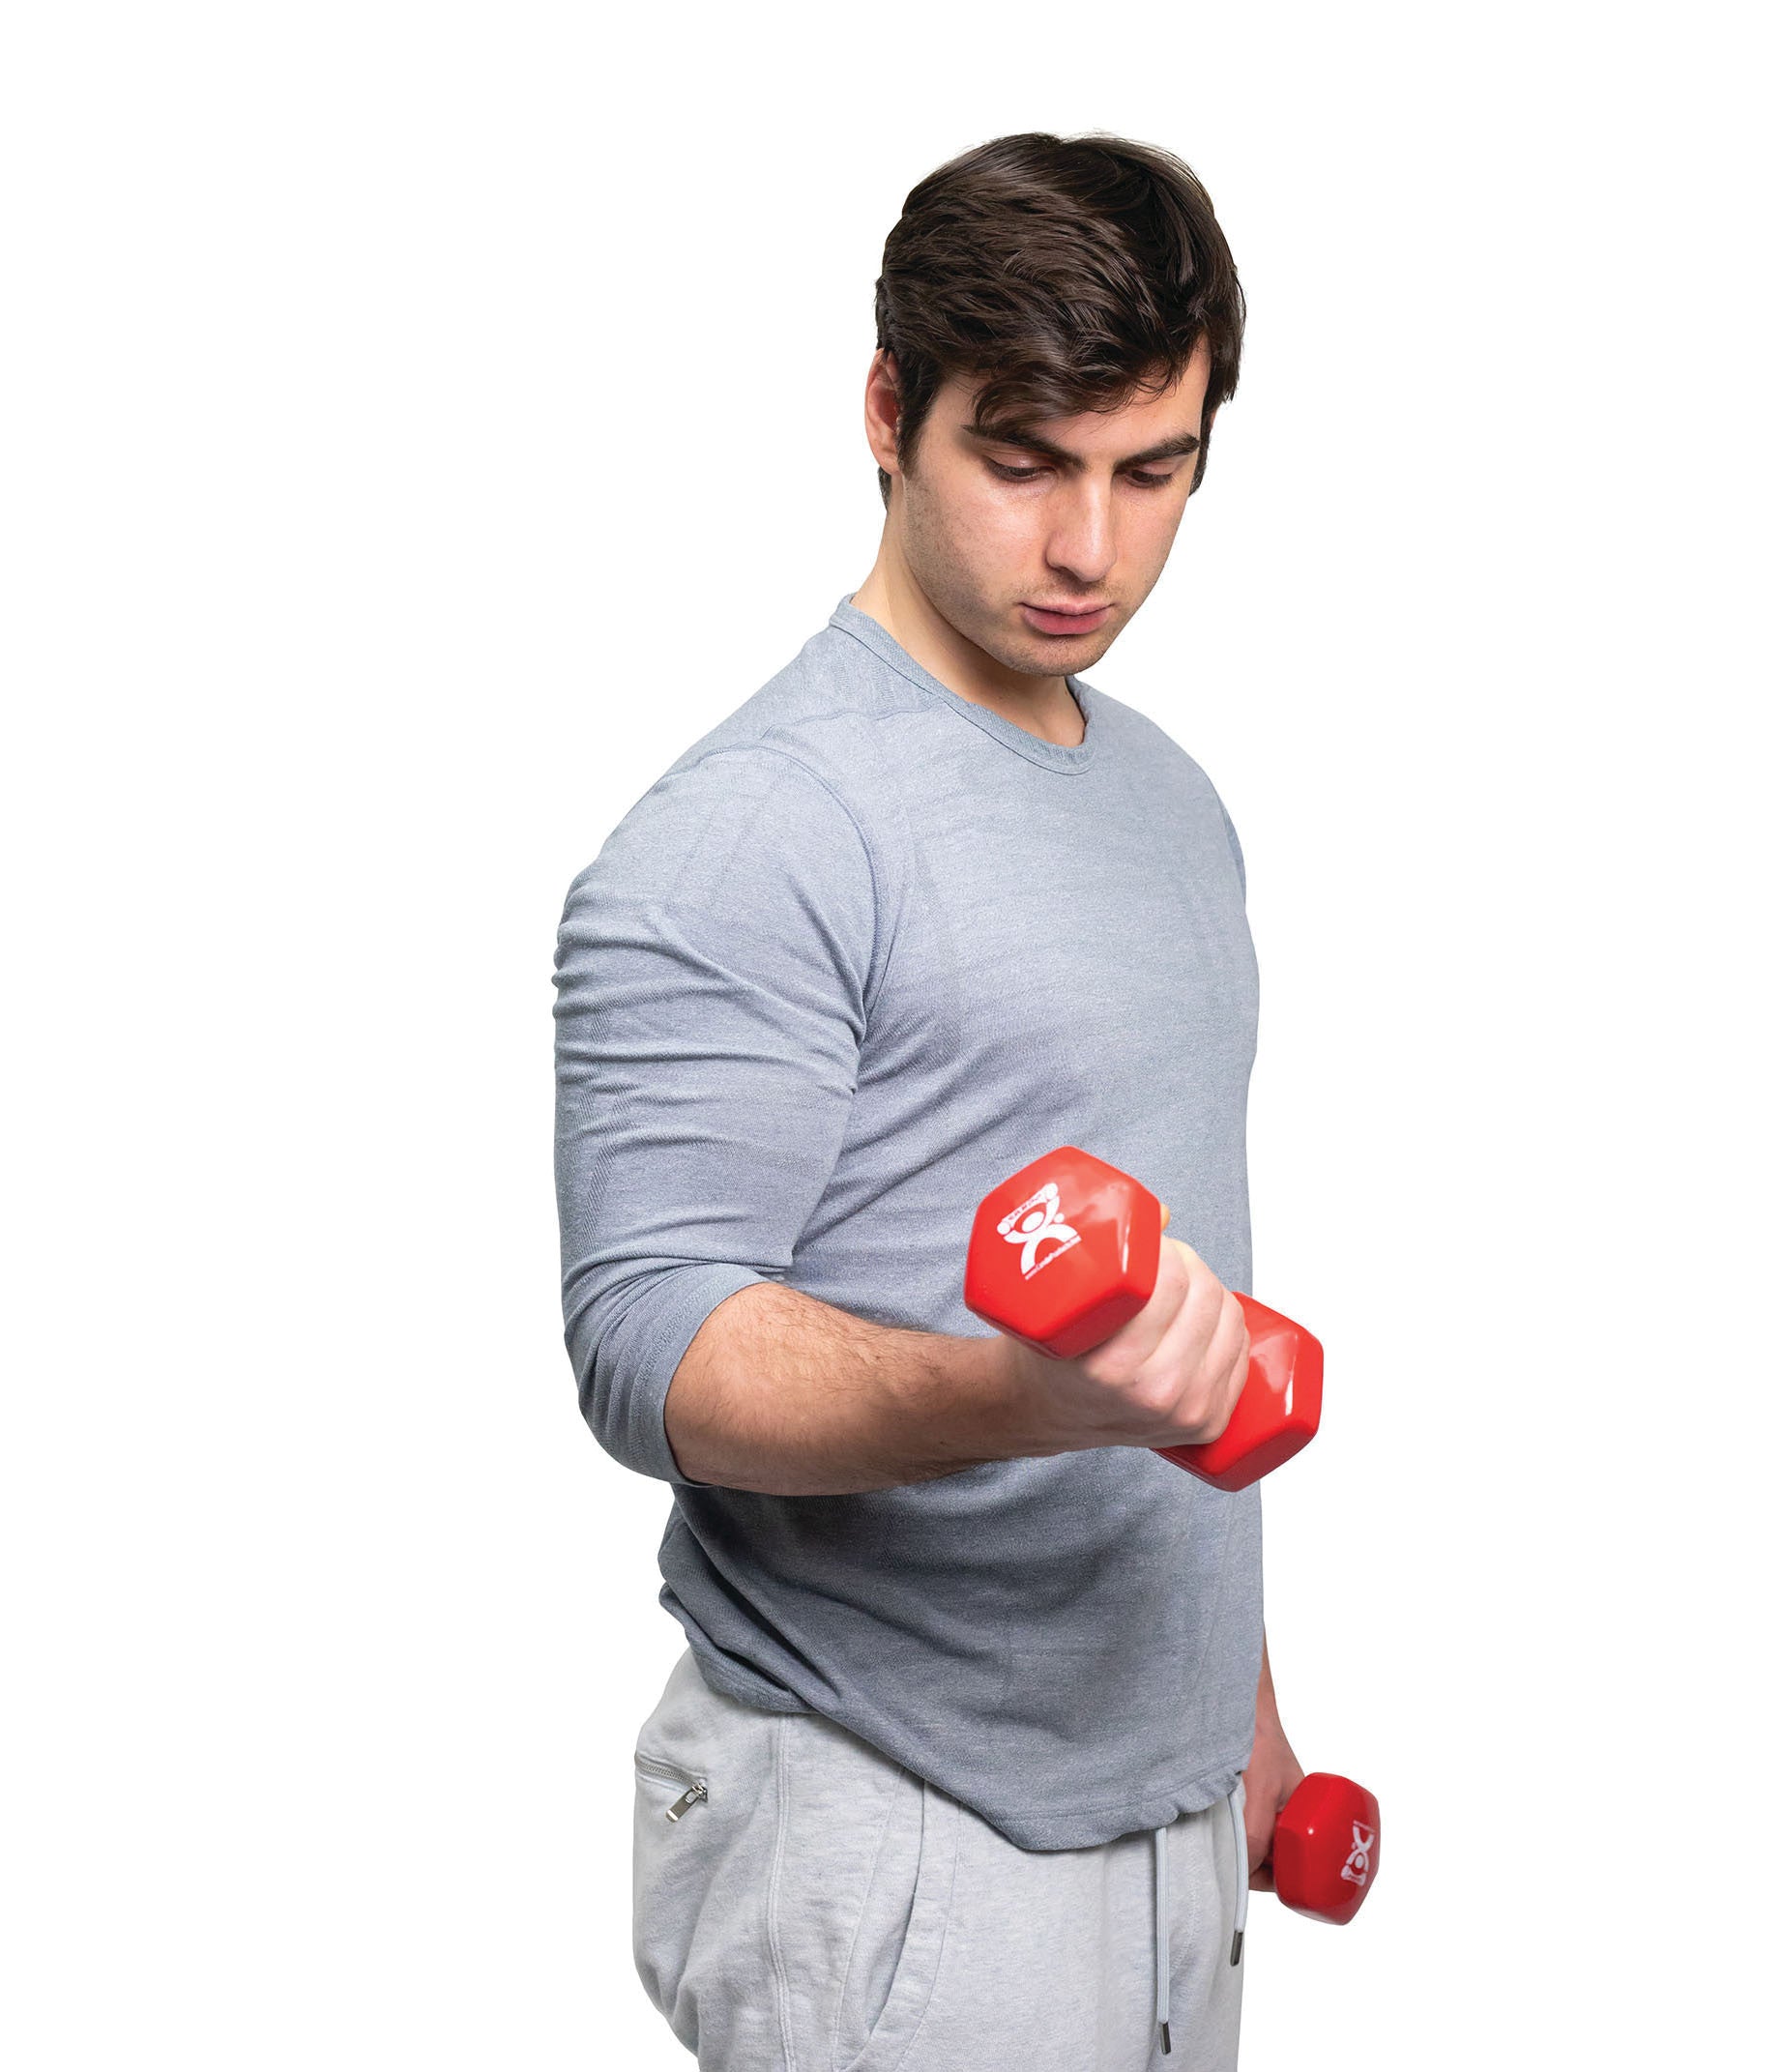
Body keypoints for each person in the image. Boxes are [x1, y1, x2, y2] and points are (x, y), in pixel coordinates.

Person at [553, 131, 1306, 2071]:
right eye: (1024, 461)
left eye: (1154, 471)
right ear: (889, 414)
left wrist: (1241, 1708)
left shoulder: (1166, 801)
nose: (1088, 550)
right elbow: (654, 1349)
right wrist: (1014, 1397)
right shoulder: (754, 828)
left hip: (1167, 1808)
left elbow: (1179, 1297)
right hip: (886, 1811)